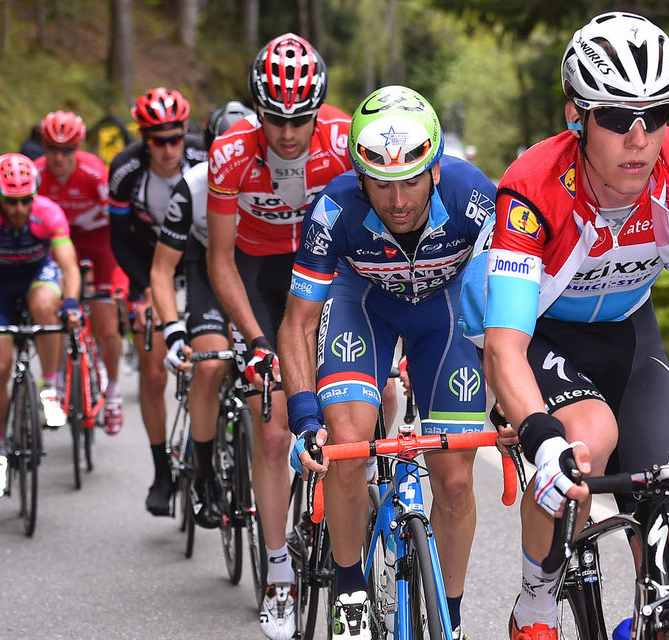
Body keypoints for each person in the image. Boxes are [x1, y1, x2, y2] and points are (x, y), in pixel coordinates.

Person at [461, 12, 669, 639]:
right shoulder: (534, 186)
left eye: (655, 114)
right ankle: (536, 603)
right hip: (538, 334)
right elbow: (505, 347)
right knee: (584, 439)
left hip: (627, 333)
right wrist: (538, 436)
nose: (638, 137)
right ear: (577, 115)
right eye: (615, 116)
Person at [280, 85, 496, 640]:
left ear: (436, 170)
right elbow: (299, 322)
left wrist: (511, 402)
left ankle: (450, 616)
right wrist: (304, 417)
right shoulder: (335, 208)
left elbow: (504, 309)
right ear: (360, 178)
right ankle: (349, 588)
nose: (397, 201)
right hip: (364, 306)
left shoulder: (476, 197)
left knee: (454, 481)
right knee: (348, 446)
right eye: (381, 184)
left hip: (444, 315)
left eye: (411, 182)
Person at [205, 33, 353, 640]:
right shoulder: (229, 153)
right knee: (271, 430)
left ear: (318, 110)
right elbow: (219, 260)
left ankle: (350, 516)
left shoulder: (344, 140)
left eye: (300, 119)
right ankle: (278, 574)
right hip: (261, 275)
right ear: (256, 111)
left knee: (367, 406)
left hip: (328, 272)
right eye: (275, 119)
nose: (288, 134)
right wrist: (255, 340)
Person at [149, 101, 256, 529]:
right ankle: (205, 477)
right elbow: (161, 270)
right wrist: (173, 331)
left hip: (256, 268)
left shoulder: (279, 178)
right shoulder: (192, 187)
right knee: (210, 364)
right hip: (207, 267)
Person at [108, 87, 207, 515]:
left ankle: (207, 448)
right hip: (147, 263)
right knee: (152, 370)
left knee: (212, 353)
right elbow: (118, 240)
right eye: (158, 141)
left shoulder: (203, 156)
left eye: (175, 138)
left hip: (198, 258)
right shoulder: (125, 170)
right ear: (144, 140)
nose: (168, 150)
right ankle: (161, 471)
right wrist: (144, 287)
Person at [0, 153, 82, 499]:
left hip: (36, 275)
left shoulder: (48, 212)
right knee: (0, 367)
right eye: (11, 201)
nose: (19, 209)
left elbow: (68, 266)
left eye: (26, 200)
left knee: (45, 307)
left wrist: (70, 303)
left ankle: (49, 389)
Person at [35, 110, 128, 435]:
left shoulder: (94, 173)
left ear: (78, 149)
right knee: (51, 307)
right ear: (44, 148)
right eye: (52, 149)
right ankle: (58, 377)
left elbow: (118, 223)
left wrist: (119, 274)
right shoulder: (36, 175)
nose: (59, 157)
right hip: (59, 245)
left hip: (98, 241)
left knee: (106, 325)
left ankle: (112, 392)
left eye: (67, 150)